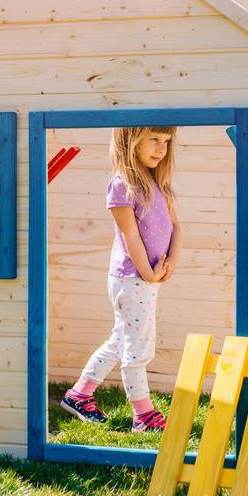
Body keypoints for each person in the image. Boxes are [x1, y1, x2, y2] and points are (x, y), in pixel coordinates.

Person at [61, 126, 181, 433]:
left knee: (121, 340)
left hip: (146, 278)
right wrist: (147, 272)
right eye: (154, 139)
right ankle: (144, 415)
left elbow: (176, 227)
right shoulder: (122, 186)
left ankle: (79, 394)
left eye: (166, 141)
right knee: (137, 347)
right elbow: (130, 235)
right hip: (131, 277)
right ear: (131, 141)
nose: (161, 148)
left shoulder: (158, 185)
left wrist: (170, 263)